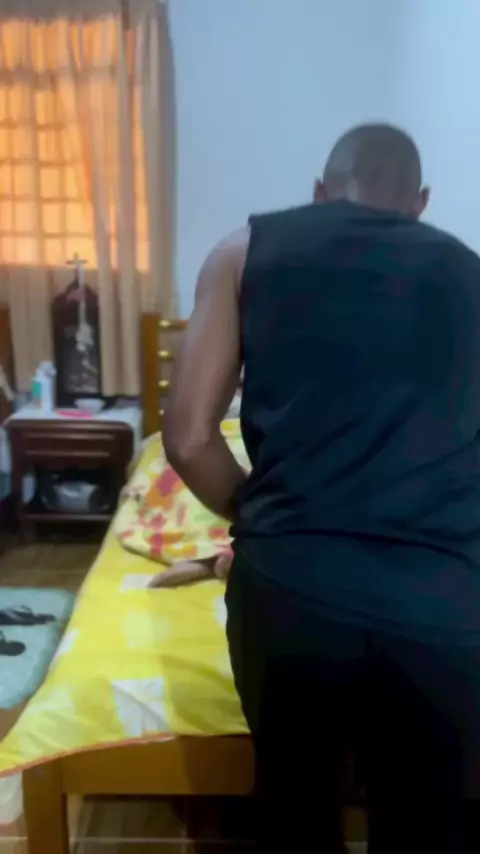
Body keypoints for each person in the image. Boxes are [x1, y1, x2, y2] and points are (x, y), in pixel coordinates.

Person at [162, 123, 480, 853]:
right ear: (421, 201)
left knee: (296, 816)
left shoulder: (244, 251)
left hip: (293, 593)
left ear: (317, 191)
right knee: (430, 827)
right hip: (442, 605)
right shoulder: (471, 274)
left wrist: (260, 512)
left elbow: (188, 438)